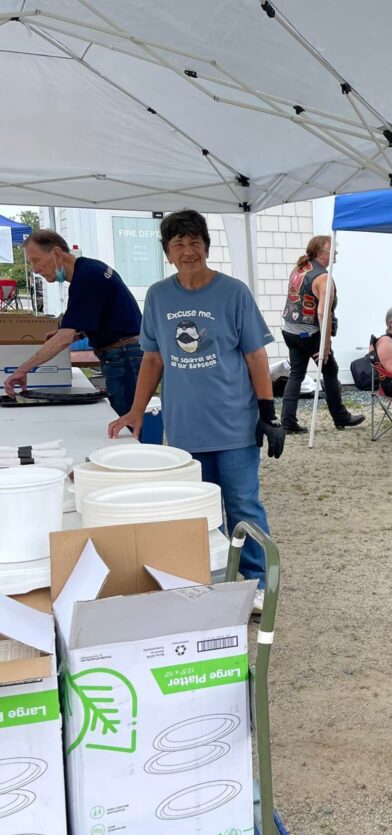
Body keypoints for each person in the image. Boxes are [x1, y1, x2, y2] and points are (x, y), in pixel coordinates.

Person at [107, 209, 283, 611]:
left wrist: (267, 412)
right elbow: (152, 359)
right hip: (185, 428)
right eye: (178, 244)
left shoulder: (233, 292)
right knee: (200, 513)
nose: (188, 251)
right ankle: (215, 584)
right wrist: (135, 410)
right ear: (168, 253)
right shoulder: (158, 296)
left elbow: (256, 355)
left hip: (235, 422)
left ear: (206, 244)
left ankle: (258, 587)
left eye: (195, 241)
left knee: (243, 505)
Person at [4, 230, 143, 415]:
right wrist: (77, 333)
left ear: (56, 253)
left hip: (124, 356)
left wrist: (22, 370)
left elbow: (65, 337)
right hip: (124, 353)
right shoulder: (90, 269)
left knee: (126, 423)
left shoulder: (87, 277)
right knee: (125, 420)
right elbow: (100, 318)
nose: (35, 270)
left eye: (36, 260)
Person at [280, 235, 364, 434]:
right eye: (332, 250)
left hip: (290, 331)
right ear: (320, 254)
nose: (335, 253)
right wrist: (324, 346)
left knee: (296, 375)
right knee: (330, 372)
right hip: (311, 334)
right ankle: (340, 416)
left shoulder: (299, 269)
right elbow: (322, 313)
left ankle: (287, 421)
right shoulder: (323, 278)